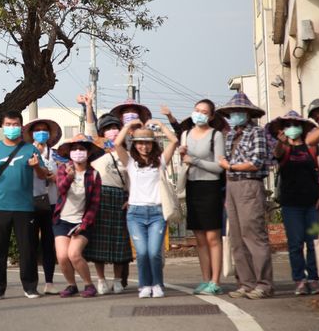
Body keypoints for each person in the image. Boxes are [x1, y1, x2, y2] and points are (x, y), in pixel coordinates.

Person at [0, 110, 47, 301]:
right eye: (8, 124)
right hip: (0, 206)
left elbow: (43, 176)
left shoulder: (30, 149)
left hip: (25, 207)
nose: (11, 128)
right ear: (2, 127)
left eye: (15, 124)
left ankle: (30, 287)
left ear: (21, 127)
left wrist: (36, 166)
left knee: (28, 248)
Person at [216, 93, 274, 299]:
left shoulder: (257, 132)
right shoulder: (231, 135)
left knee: (254, 235)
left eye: (238, 111)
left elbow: (256, 162)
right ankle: (245, 282)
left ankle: (263, 283)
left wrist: (229, 165)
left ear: (248, 113)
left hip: (250, 184)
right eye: (232, 112)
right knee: (237, 237)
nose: (235, 115)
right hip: (232, 185)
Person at [114, 118, 178, 299]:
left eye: (148, 143)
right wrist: (128, 125)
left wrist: (160, 124)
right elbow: (117, 143)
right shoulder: (130, 163)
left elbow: (173, 141)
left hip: (157, 213)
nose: (144, 147)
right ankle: (144, 285)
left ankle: (157, 284)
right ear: (135, 145)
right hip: (135, 214)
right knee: (142, 253)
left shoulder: (160, 161)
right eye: (140, 143)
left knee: (154, 252)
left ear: (153, 145)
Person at [269, 111, 319, 295]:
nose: (292, 128)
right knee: (295, 243)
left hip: (312, 203)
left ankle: (314, 279)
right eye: (288, 125)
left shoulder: (311, 148)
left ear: (302, 127)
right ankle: (299, 280)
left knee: (313, 242)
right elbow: (276, 154)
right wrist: (280, 141)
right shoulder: (283, 148)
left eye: (295, 124)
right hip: (291, 204)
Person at [178, 99, 226, 296]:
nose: (199, 114)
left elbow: (219, 166)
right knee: (199, 238)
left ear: (211, 116)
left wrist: (195, 160)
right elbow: (184, 162)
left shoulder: (216, 135)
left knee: (213, 236)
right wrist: (182, 156)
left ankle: (215, 281)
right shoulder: (185, 134)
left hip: (211, 187)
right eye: (197, 110)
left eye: (204, 112)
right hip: (192, 186)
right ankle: (205, 279)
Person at [84, 110, 133, 295]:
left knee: (120, 242)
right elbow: (90, 130)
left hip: (121, 198)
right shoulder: (95, 151)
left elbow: (132, 179)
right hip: (99, 197)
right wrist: (88, 106)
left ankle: (118, 280)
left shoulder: (126, 152)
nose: (112, 131)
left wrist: (130, 198)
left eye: (115, 128)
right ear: (102, 133)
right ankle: (101, 280)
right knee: (99, 243)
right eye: (108, 129)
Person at [52, 135, 103, 298]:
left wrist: (84, 224)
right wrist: (69, 177)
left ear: (88, 153)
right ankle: (71, 285)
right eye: (74, 149)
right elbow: (60, 190)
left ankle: (89, 285)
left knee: (74, 254)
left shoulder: (94, 175)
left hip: (82, 222)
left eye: (82, 149)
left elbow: (95, 204)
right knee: (62, 256)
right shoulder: (63, 169)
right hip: (62, 219)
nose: (78, 152)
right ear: (69, 153)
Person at [21, 117, 62, 295]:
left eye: (44, 129)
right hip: (31, 203)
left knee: (48, 243)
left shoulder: (57, 154)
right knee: (30, 244)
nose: (41, 132)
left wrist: (53, 177)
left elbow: (64, 177)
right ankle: (31, 284)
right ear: (31, 134)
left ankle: (49, 282)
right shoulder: (24, 152)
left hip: (52, 203)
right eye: (37, 130)